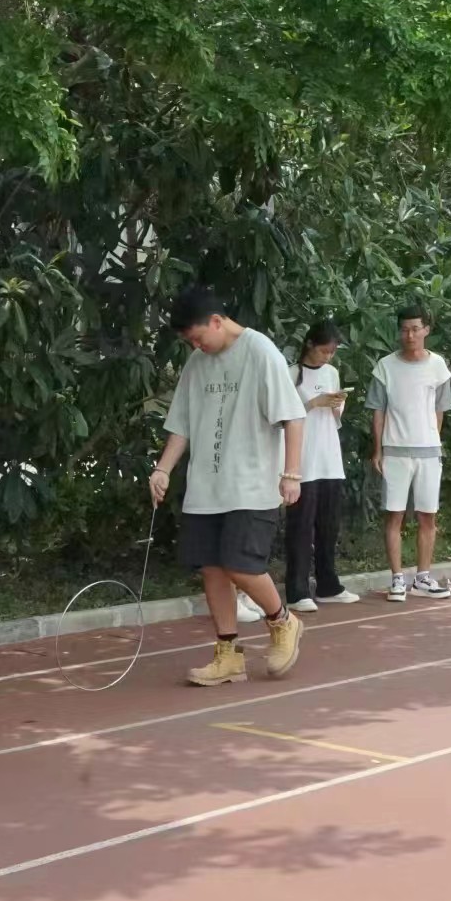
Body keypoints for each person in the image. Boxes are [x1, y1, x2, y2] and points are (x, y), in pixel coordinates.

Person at [148, 286, 308, 687]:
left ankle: (283, 621)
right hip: (206, 487)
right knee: (212, 569)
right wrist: (163, 469)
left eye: (198, 337)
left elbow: (293, 416)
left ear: (217, 321)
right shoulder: (196, 363)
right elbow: (182, 424)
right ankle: (228, 655)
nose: (196, 346)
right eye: (190, 342)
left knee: (241, 565)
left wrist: (291, 473)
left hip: (250, 483)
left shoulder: (261, 351)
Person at [369, 305, 451, 601]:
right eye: (405, 329)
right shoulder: (385, 367)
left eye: (415, 329)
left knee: (428, 516)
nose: (410, 335)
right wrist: (378, 450)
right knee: (394, 516)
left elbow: (440, 410)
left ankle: (422, 578)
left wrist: (432, 440)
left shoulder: (438, 366)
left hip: (429, 453)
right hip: (395, 452)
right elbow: (378, 411)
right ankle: (397, 579)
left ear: (426, 330)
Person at [285, 320, 362, 612]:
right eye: (324, 351)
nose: (328, 357)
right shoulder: (291, 374)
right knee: (301, 527)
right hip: (302, 461)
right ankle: (297, 591)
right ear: (310, 344)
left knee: (328, 526)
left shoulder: (331, 373)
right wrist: (312, 403)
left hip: (330, 458)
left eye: (332, 352)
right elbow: (283, 416)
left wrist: (336, 403)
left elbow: (337, 416)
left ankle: (328, 585)